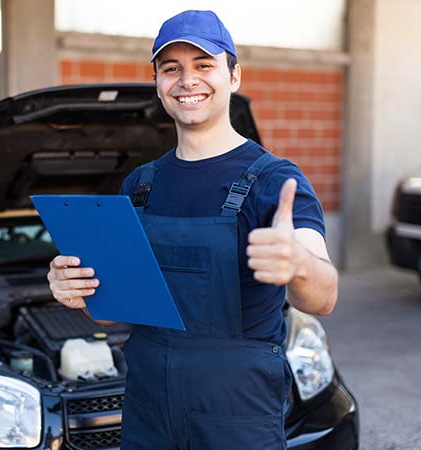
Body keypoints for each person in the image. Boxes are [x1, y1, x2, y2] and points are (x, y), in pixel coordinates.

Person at [46, 9, 338, 450]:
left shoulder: (274, 181)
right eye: (172, 69)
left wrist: (298, 264)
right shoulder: (140, 186)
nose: (188, 80)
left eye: (204, 65)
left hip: (236, 412)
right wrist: (76, 289)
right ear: (158, 83)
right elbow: (110, 313)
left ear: (234, 76)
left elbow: (324, 296)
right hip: (147, 407)